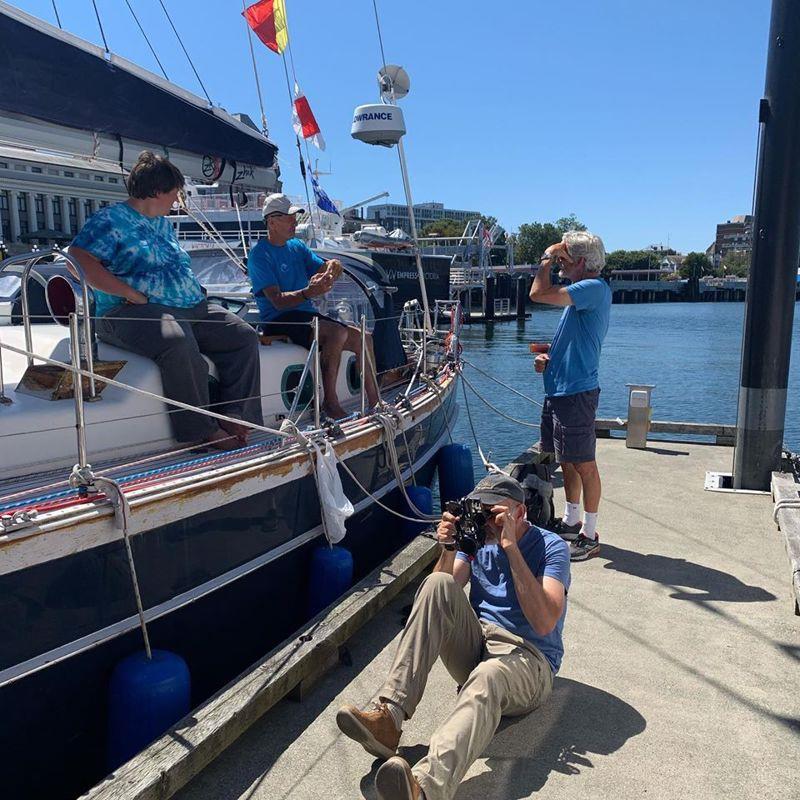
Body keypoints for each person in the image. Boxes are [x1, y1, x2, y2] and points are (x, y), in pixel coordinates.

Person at [336, 473, 570, 800]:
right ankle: (389, 718)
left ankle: (424, 789)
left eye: (494, 515)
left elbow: (544, 622)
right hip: (479, 645)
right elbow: (441, 591)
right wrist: (448, 547)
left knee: (489, 675)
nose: (486, 523)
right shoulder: (476, 541)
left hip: (529, 660)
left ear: (519, 513)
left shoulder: (551, 547)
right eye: (480, 512)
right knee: (434, 584)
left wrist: (511, 548)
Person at [69, 151, 263, 450]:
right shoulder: (110, 220)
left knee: (242, 335)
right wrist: (128, 292)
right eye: (175, 193)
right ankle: (200, 432)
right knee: (177, 341)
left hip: (191, 307)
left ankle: (234, 414)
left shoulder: (162, 223)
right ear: (158, 191)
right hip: (128, 312)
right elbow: (78, 260)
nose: (177, 200)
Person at [247, 193, 379, 419]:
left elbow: (322, 269)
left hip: (305, 316)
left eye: (294, 217)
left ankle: (376, 402)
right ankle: (330, 402)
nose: (294, 222)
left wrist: (332, 267)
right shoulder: (259, 255)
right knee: (336, 332)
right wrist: (309, 292)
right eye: (289, 218)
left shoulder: (296, 247)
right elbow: (277, 301)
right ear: (272, 222)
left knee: (364, 338)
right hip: (278, 319)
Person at [529, 230, 612, 560]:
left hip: (576, 392)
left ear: (579, 262)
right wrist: (547, 357)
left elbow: (538, 293)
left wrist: (545, 260)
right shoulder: (583, 294)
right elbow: (577, 339)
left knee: (585, 463)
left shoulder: (592, 288)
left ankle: (589, 536)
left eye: (563, 261)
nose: (559, 266)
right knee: (567, 461)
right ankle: (572, 520)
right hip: (561, 390)